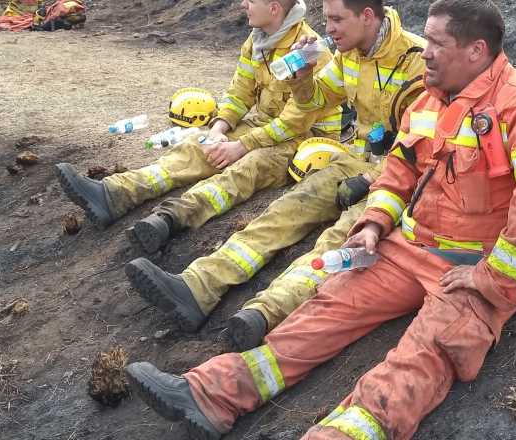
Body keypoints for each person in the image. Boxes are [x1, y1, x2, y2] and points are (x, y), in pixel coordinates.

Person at [123, 1, 516, 439]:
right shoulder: (430, 102)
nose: (426, 52)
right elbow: (399, 173)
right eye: (427, 41)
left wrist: (489, 280)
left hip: (474, 269)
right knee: (324, 310)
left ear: (476, 50)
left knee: (425, 354)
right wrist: (374, 225)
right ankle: (213, 393)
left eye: (437, 43)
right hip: (410, 248)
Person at [123, 0, 427, 342]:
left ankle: (263, 314)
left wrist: (371, 179)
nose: (328, 29)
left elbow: (424, 147)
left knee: (340, 238)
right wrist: (302, 79)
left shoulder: (418, 60)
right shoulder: (350, 54)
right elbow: (314, 102)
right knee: (284, 211)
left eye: (337, 19)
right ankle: (198, 286)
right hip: (356, 161)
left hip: (400, 177)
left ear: (367, 16)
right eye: (327, 18)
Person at [54, 0, 343, 253]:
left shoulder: (309, 50)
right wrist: (218, 130)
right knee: (198, 145)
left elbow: (296, 121)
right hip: (266, 124)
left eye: (251, 0)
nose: (243, 4)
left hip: (306, 138)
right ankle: (115, 194)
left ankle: (171, 220)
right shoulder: (258, 41)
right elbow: (239, 92)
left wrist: (241, 146)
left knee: (250, 166)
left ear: (274, 8)